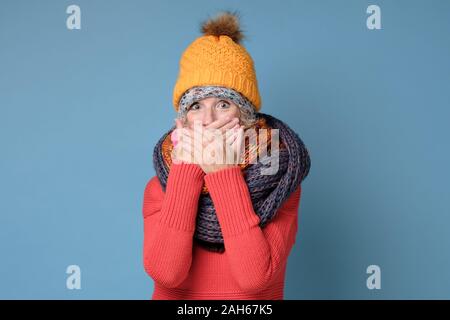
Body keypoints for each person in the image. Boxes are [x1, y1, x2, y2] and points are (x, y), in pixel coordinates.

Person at [142, 10, 311, 300]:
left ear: (246, 117)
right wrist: (186, 170)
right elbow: (167, 274)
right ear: (182, 118)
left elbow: (254, 279)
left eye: (223, 104)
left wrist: (223, 173)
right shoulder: (160, 186)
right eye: (195, 106)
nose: (207, 120)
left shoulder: (278, 180)